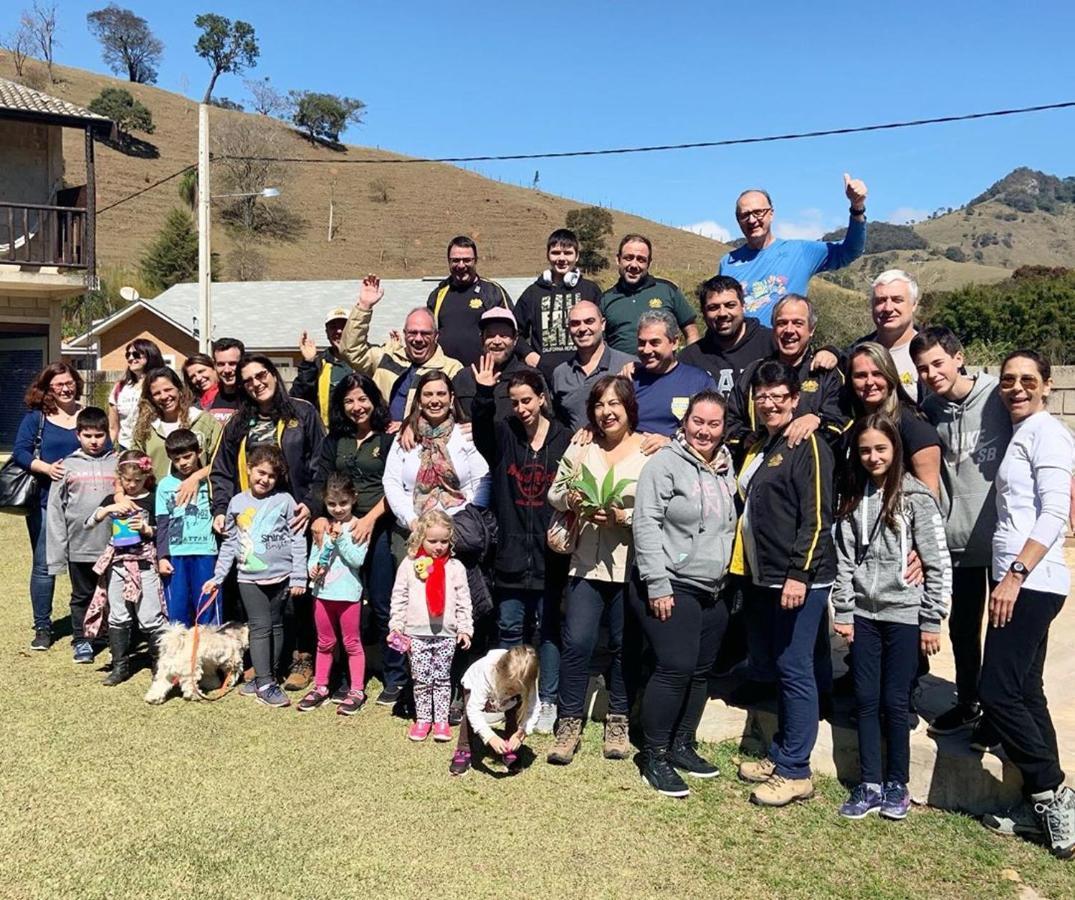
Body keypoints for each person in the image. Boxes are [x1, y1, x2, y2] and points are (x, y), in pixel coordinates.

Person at [978, 351, 1075, 859]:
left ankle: (1055, 794)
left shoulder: (1048, 433)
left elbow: (1056, 512)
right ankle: (1042, 805)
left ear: (1046, 384)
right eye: (1008, 380)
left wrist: (1014, 575)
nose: (1016, 387)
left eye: (1027, 380)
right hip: (1022, 579)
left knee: (997, 691)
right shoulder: (1025, 432)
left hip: (1031, 581)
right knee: (1025, 690)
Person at [833, 415, 951, 821]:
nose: (872, 457)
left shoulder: (917, 497)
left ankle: (897, 783)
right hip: (864, 613)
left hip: (904, 614)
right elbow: (845, 560)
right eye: (865, 450)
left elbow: (936, 562)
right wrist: (844, 610)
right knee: (866, 698)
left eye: (880, 449)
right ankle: (869, 783)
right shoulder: (852, 497)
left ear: (895, 449)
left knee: (895, 700)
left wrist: (932, 618)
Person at [731, 361, 835, 808]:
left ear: (796, 399)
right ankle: (782, 753)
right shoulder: (767, 443)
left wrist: (799, 573)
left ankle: (796, 771)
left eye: (779, 396)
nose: (770, 403)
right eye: (762, 397)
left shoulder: (807, 443)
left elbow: (817, 518)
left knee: (795, 670)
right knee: (784, 667)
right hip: (766, 576)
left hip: (797, 579)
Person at [631, 391, 738, 798]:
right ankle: (654, 754)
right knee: (675, 667)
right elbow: (646, 524)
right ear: (685, 421)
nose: (704, 431)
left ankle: (681, 744)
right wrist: (657, 583)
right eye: (698, 422)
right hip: (671, 581)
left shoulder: (726, 468)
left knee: (699, 671)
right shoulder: (665, 465)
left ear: (724, 427)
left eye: (713, 424)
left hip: (713, 587)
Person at [912, 327, 1012, 746]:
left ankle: (1000, 715)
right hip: (959, 541)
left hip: (1003, 538)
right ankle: (969, 702)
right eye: (922, 368)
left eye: (938, 362)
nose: (932, 373)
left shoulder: (997, 396)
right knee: (963, 628)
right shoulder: (930, 410)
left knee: (1004, 634)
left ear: (958, 357)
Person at [546, 376, 649, 765]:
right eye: (600, 406)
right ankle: (568, 721)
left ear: (628, 408)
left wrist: (626, 516)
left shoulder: (649, 450)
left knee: (625, 646)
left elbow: (660, 508)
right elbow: (555, 492)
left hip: (630, 565)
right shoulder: (582, 445)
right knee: (577, 643)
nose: (607, 412)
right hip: (585, 564)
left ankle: (618, 719)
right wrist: (571, 497)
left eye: (614, 405)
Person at [210, 354, 324, 691]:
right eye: (248, 380)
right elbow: (222, 469)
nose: (257, 383)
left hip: (294, 518)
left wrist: (312, 503)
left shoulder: (302, 413)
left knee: (296, 592)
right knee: (259, 593)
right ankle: (266, 661)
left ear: (274, 375)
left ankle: (302, 656)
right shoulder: (238, 423)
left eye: (262, 375)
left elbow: (322, 460)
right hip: (251, 525)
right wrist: (220, 508)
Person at [471, 365, 571, 734]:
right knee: (510, 628)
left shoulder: (565, 439)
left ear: (542, 398)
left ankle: (547, 701)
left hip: (550, 556)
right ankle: (508, 697)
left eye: (527, 400)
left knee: (548, 630)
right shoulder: (504, 437)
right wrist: (483, 394)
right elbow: (481, 429)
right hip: (511, 555)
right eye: (514, 402)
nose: (521, 408)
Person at [309, 373, 403, 707]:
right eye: (349, 400)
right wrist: (319, 514)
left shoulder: (389, 439)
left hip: (376, 530)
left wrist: (370, 519)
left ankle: (395, 676)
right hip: (340, 529)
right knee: (343, 602)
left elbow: (397, 485)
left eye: (362, 398)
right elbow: (322, 479)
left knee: (381, 605)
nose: (356, 406)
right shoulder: (336, 440)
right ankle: (346, 678)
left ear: (374, 400)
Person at [203, 444, 308, 709]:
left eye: (272, 476)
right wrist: (217, 577)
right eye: (261, 473)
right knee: (260, 627)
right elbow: (229, 543)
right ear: (249, 469)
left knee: (276, 626)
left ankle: (268, 675)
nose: (265, 480)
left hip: (281, 577)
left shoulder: (285, 501)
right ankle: (263, 683)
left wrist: (298, 577)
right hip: (249, 578)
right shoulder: (237, 503)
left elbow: (297, 539)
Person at [719, 175, 868, 326]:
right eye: (745, 215)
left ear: (771, 213)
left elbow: (850, 250)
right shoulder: (728, 263)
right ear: (738, 220)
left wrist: (857, 207)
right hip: (741, 348)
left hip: (784, 346)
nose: (752, 220)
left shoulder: (801, 252)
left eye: (758, 212)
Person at [13, 363, 86, 650]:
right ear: (48, 389)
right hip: (44, 502)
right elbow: (20, 451)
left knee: (84, 565)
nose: (66, 388)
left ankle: (87, 625)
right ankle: (43, 627)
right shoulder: (37, 418)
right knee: (44, 566)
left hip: (83, 503)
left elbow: (105, 446)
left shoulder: (87, 414)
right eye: (58, 385)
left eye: (69, 382)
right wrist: (44, 468)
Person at [725, 294, 848, 460]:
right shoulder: (753, 372)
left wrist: (818, 421)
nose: (789, 330)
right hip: (758, 472)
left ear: (811, 329)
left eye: (798, 323)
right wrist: (746, 438)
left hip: (809, 470)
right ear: (774, 328)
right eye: (782, 323)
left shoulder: (826, 373)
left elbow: (840, 422)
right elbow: (730, 419)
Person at [388, 509, 474, 742]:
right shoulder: (409, 564)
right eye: (433, 541)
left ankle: (441, 720)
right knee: (422, 680)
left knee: (442, 679)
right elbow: (399, 597)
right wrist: (396, 625)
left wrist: (465, 628)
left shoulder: (455, 568)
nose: (438, 546)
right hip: (415, 632)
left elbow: (464, 600)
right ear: (420, 538)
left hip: (446, 633)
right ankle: (423, 719)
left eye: (444, 541)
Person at [341, 274, 463, 426]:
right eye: (412, 333)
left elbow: (456, 415)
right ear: (404, 334)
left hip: (421, 444)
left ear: (436, 336)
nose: (418, 339)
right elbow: (350, 351)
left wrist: (410, 426)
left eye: (425, 333)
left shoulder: (452, 369)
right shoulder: (386, 357)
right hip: (380, 440)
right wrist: (364, 307)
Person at [382, 371, 490, 542]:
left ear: (451, 398)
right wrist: (411, 520)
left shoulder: (466, 434)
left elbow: (482, 481)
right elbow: (391, 481)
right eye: (428, 394)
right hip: (412, 528)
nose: (434, 401)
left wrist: (468, 515)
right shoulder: (404, 437)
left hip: (458, 528)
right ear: (419, 400)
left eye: (441, 394)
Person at [45, 407, 115, 663]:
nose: (94, 441)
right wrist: (58, 553)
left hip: (112, 547)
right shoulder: (66, 467)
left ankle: (109, 637)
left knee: (111, 595)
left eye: (99, 435)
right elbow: (55, 511)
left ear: (107, 434)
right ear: (78, 435)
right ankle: (82, 640)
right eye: (88, 435)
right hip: (79, 546)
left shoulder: (117, 462)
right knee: (82, 596)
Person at [89, 450, 164, 686]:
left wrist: (145, 529)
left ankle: (159, 666)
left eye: (137, 481)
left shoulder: (153, 498)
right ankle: (120, 666)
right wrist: (108, 510)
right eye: (127, 480)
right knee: (118, 614)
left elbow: (163, 529)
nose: (131, 485)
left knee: (150, 615)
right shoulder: (114, 499)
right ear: (119, 477)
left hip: (145, 564)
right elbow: (90, 522)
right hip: (118, 565)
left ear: (147, 477)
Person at [298, 473, 370, 717]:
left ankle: (357, 689)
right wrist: (313, 569)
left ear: (353, 500)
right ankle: (321, 686)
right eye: (332, 504)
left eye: (343, 503)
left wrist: (339, 540)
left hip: (349, 596)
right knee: (325, 642)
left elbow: (356, 560)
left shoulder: (358, 526)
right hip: (322, 594)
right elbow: (312, 560)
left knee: (351, 643)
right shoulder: (321, 527)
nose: (338, 509)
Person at [846, 343, 941, 496]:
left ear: (890, 376)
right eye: (861, 375)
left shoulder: (912, 423)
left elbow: (931, 494)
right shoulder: (852, 424)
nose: (870, 382)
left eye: (877, 374)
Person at [512, 228, 603, 381]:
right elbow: (514, 332)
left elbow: (603, 329)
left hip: (584, 374)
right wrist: (530, 355)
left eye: (568, 253)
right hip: (544, 377)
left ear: (577, 256)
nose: (561, 258)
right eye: (555, 253)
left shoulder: (590, 290)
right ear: (548, 255)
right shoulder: (533, 293)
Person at [155, 429, 219, 627]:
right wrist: (162, 556)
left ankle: (208, 653)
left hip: (205, 553)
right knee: (178, 610)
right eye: (177, 459)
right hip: (176, 555)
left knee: (207, 605)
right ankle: (180, 655)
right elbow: (162, 524)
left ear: (198, 452)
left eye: (187, 456)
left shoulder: (209, 481)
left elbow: (220, 464)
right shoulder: (165, 485)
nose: (183, 463)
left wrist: (198, 476)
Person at [449, 645, 541, 777]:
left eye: (517, 689)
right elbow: (473, 710)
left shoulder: (527, 678)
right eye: (510, 688)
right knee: (470, 717)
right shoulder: (487, 672)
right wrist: (490, 737)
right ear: (501, 672)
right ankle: (463, 749)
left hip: (504, 695)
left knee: (515, 712)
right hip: (474, 686)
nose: (512, 692)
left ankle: (509, 746)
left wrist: (522, 733)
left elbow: (534, 708)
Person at [599, 234, 698, 353]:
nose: (634, 265)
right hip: (620, 371)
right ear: (618, 259)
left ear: (649, 263)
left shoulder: (668, 290)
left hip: (664, 370)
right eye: (628, 258)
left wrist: (688, 364)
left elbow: (691, 331)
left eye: (641, 259)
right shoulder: (605, 299)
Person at [679, 275, 773, 395]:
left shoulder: (771, 345)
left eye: (730, 305)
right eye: (713, 307)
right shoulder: (690, 359)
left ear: (743, 305)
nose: (722, 313)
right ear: (703, 312)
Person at [426, 236, 513, 366]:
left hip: (484, 373)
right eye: (455, 260)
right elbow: (427, 333)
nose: (461, 265)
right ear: (448, 261)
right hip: (445, 374)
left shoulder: (492, 291)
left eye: (467, 260)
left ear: (475, 261)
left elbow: (511, 333)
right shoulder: (438, 294)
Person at [629, 310, 716, 439]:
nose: (646, 350)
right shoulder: (629, 379)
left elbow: (712, 429)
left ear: (675, 342)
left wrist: (672, 444)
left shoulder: (699, 381)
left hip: (679, 455)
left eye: (654, 343)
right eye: (642, 343)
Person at [550, 300, 636, 430]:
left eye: (589, 321)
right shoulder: (560, 374)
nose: (583, 328)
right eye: (575, 324)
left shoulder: (628, 365)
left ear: (603, 324)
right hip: (579, 448)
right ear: (568, 329)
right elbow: (559, 423)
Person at [131, 367, 221, 483]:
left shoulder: (203, 421)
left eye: (168, 389)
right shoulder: (145, 428)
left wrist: (196, 477)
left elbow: (221, 461)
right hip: (159, 497)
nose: (163, 396)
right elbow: (131, 465)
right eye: (157, 393)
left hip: (199, 495)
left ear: (179, 389)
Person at [452, 308, 539, 421]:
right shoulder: (463, 378)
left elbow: (546, 420)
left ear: (515, 339)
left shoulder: (531, 376)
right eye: (491, 335)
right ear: (482, 339)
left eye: (504, 335)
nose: (497, 341)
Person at [854, 270, 921, 389]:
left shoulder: (934, 351)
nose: (888, 308)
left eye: (897, 300)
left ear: (914, 304)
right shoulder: (855, 353)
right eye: (881, 301)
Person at [291, 306, 357, 425]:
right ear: (327, 333)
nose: (339, 331)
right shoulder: (318, 363)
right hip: (327, 436)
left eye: (344, 326)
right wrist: (308, 363)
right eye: (333, 327)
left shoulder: (367, 360)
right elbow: (297, 398)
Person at [108, 339, 164, 449]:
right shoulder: (120, 388)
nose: (131, 358)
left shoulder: (161, 384)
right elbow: (113, 427)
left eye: (136, 354)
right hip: (126, 448)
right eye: (128, 355)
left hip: (154, 447)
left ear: (150, 355)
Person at [207, 337, 246, 426]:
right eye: (221, 364)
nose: (227, 370)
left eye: (232, 364)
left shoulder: (254, 399)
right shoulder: (206, 400)